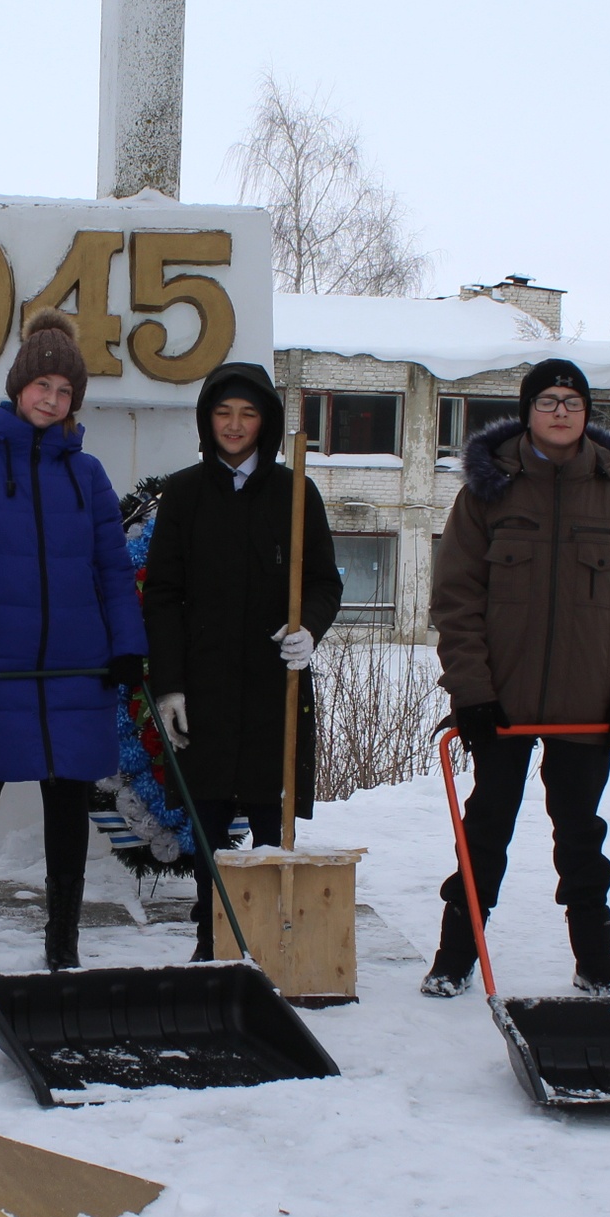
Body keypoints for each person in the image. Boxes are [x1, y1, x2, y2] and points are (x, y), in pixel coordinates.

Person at [424, 359, 610, 997]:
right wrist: (472, 693)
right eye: (548, 400)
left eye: (573, 401)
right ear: (527, 411)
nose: (561, 411)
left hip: (588, 701)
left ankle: (596, 961)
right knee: (486, 829)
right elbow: (456, 598)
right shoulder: (489, 489)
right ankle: (456, 954)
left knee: (582, 834)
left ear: (586, 413)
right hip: (501, 700)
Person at [0, 308, 148, 981]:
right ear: (18, 385)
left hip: (75, 665)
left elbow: (113, 571)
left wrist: (127, 646)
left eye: (65, 392)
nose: (52, 401)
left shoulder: (88, 477)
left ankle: (63, 940)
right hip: (0, 664)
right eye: (42, 386)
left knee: (66, 801)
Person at [141, 362, 342, 959]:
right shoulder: (183, 492)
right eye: (224, 412)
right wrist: (170, 685)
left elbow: (325, 581)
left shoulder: (294, 491)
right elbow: (163, 593)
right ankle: (212, 934)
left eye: (248, 413)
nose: (235, 424)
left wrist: (310, 627)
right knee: (205, 818)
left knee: (267, 812)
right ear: (208, 419)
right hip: (204, 683)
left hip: (271, 685)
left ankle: (271, 937)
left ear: (266, 423)